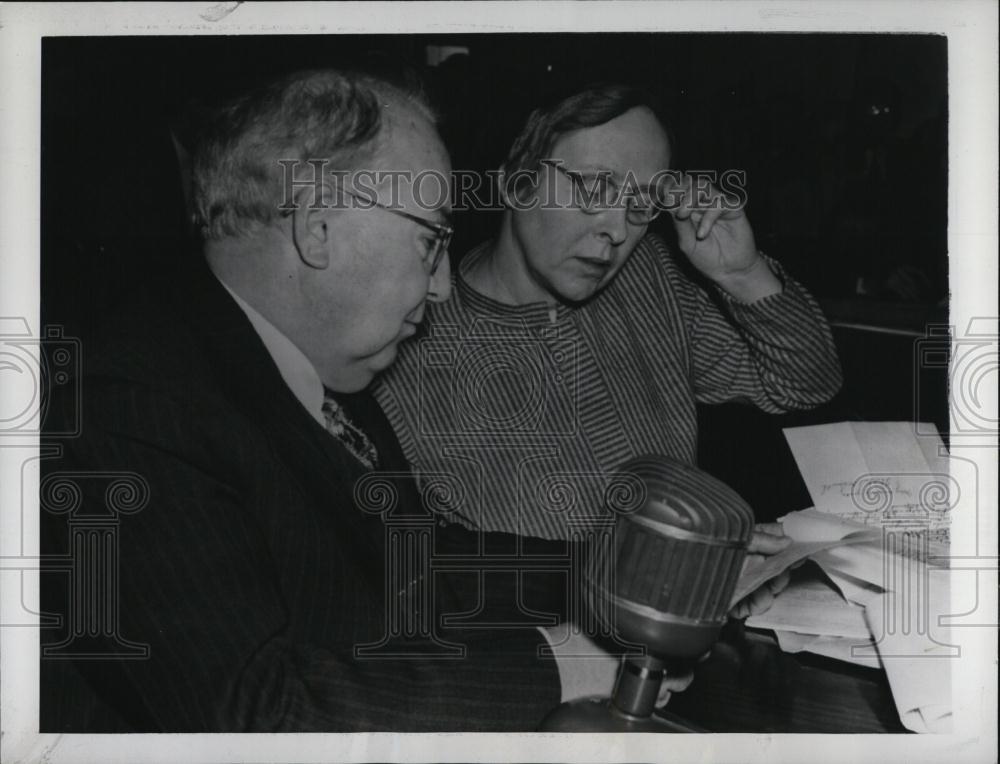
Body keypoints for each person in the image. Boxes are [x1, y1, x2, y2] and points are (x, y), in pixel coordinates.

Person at [39, 69, 646, 733]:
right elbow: (253, 717)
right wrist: (564, 668)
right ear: (319, 228)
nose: (442, 286)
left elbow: (411, 562)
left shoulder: (297, 359)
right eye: (432, 240)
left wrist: (625, 568)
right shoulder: (128, 410)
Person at [374, 83, 842, 561]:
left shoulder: (651, 281)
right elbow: (434, 571)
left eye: (640, 205)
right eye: (596, 188)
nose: (618, 231)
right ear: (518, 178)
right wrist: (674, 568)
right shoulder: (401, 344)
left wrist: (741, 274)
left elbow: (805, 385)